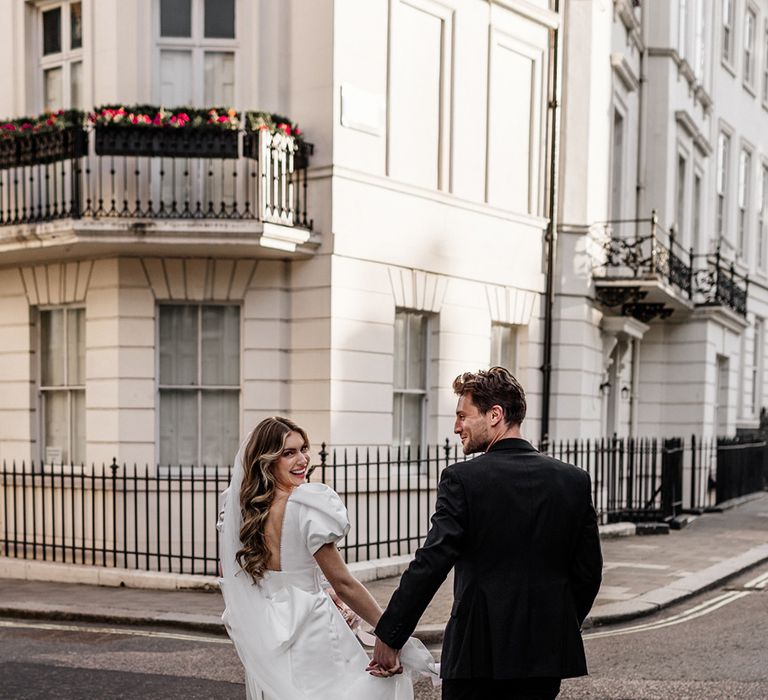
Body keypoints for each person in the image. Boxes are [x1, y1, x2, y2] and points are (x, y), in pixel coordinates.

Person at [369, 367, 603, 700]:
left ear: (495, 415)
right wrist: (555, 625)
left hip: (476, 656)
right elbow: (588, 573)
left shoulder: (462, 480)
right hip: (542, 656)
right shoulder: (573, 480)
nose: (456, 426)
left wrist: (390, 634)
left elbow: (433, 560)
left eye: (463, 415)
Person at [217, 416, 435, 700]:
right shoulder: (306, 504)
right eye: (288, 453)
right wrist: (390, 631)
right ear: (267, 460)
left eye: (303, 448)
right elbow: (344, 583)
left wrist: (320, 589)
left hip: (267, 630)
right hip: (312, 628)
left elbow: (248, 575)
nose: (302, 459)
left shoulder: (246, 512)